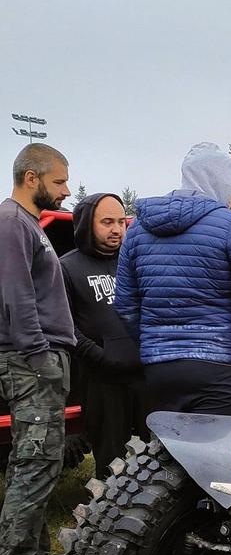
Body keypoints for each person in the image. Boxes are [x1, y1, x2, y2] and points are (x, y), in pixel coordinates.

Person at [115, 143, 231, 416]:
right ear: (218, 182)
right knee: (222, 454)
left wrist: (154, 345)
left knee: (168, 452)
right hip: (219, 363)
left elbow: (125, 305)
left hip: (160, 368)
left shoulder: (138, 228)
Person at [0, 143, 73, 555]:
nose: (65, 191)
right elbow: (16, 296)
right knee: (34, 459)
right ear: (32, 178)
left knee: (41, 460)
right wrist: (40, 355)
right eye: (59, 182)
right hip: (30, 362)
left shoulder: (27, 223)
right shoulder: (11, 222)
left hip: (39, 358)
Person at [60, 193, 149, 479]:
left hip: (144, 375)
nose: (117, 229)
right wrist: (99, 356)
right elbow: (64, 326)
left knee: (154, 453)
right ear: (87, 224)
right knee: (112, 462)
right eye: (107, 222)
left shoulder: (133, 261)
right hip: (101, 380)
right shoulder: (66, 267)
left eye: (121, 222)